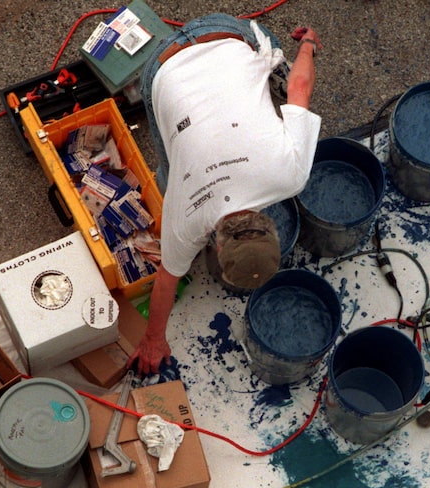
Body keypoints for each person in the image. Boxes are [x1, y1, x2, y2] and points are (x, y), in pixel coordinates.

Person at [128, 13, 322, 375]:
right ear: (216, 247)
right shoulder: (184, 216)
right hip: (160, 69)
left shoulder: (292, 175)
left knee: (281, 80)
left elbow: (300, 88)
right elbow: (166, 279)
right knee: (172, 172)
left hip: (228, 35)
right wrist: (153, 341)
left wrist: (308, 45)